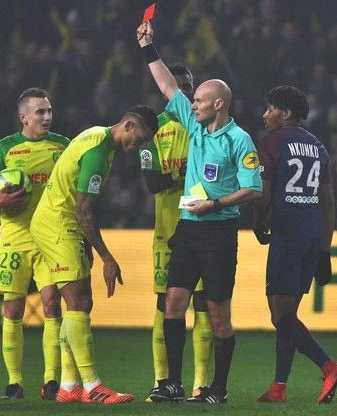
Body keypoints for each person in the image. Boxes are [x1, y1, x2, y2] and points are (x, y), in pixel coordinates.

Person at [137, 22, 262, 404]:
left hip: (219, 233)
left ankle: (217, 390)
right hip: (189, 229)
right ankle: (172, 384)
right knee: (173, 303)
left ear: (218, 104)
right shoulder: (194, 125)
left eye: (199, 101)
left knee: (217, 313)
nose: (192, 105)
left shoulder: (239, 140)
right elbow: (166, 86)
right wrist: (147, 47)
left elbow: (253, 188)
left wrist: (217, 204)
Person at [30, 104, 159, 404]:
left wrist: (86, 244)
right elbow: (84, 209)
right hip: (59, 224)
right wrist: (107, 257)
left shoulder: (96, 135)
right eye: (140, 138)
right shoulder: (99, 153)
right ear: (128, 125)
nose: (139, 145)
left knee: (76, 303)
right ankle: (93, 386)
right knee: (80, 301)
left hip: (56, 221)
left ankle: (69, 385)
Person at [252, 85, 337, 404]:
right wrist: (325, 252)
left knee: (281, 316)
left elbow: (263, 193)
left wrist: (257, 221)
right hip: (312, 236)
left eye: (270, 109)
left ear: (286, 113)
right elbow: (329, 203)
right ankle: (278, 387)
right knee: (288, 315)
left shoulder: (271, 142)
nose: (265, 115)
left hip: (287, 233)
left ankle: (329, 366)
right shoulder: (319, 147)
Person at [0, 87, 69, 400]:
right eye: (41, 112)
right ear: (24, 117)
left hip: (51, 238)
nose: (47, 116)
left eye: (49, 111)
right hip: (14, 238)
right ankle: (14, 382)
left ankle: (51, 380)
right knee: (12, 308)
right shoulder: (3, 149)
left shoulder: (63, 145)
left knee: (52, 304)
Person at [139, 63, 213, 402]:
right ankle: (162, 380)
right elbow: (151, 182)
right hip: (167, 232)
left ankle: (200, 384)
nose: (183, 92)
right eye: (177, 85)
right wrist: (178, 174)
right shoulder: (153, 131)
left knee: (203, 304)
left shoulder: (206, 126)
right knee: (164, 304)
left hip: (202, 229)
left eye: (188, 86)